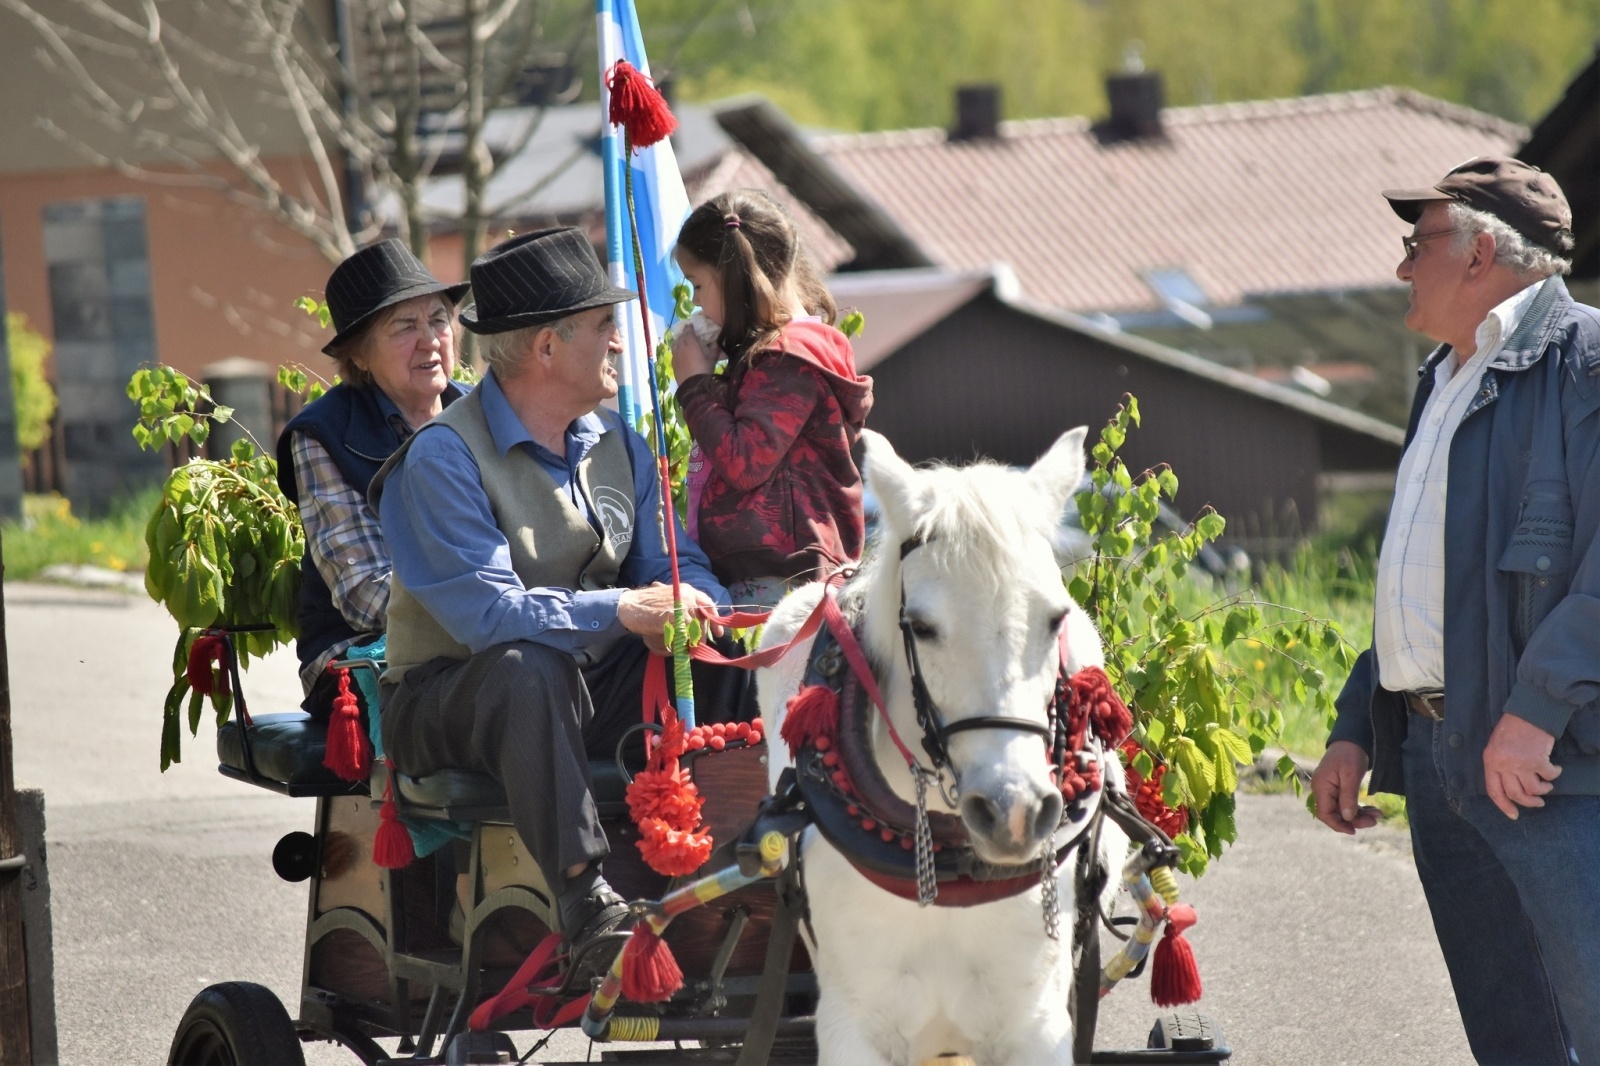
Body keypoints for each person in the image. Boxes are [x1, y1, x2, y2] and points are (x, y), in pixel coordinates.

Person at [371, 227, 745, 969]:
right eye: (606, 326)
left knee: (728, 654)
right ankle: (583, 904)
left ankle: (736, 866)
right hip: (451, 696)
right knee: (525, 666)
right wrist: (625, 611)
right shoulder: (441, 457)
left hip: (585, 683)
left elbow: (678, 564)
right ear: (546, 348)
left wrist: (695, 602)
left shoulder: (620, 445)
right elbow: (488, 617)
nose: (619, 344)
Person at [1309, 157, 1600, 1063]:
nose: (1402, 267)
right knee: (1511, 1037)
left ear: (1480, 252)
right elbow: (1422, 580)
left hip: (1547, 768)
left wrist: (1534, 714)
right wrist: (1359, 722)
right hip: (1442, 765)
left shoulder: (1586, 362)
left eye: (1417, 242)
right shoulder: (1444, 378)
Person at [275, 239, 469, 718]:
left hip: (480, 626)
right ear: (359, 355)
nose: (430, 340)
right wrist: (485, 606)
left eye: (438, 320)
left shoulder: (479, 414)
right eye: (405, 326)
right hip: (359, 652)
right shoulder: (322, 433)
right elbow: (364, 594)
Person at [670, 189, 874, 608]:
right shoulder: (772, 361)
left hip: (781, 579)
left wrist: (694, 384)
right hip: (770, 572)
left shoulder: (787, 361)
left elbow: (745, 462)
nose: (694, 302)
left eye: (698, 285)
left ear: (734, 279)